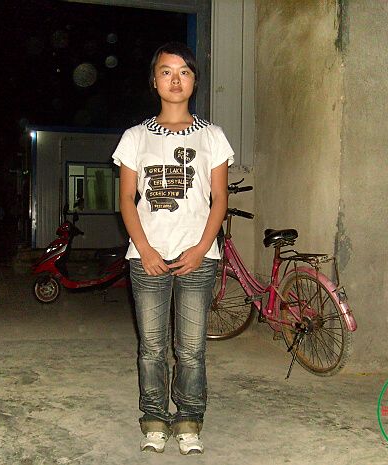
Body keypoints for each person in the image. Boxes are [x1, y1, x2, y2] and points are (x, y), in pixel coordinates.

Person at [112, 42, 233, 455]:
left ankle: (188, 419)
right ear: (154, 81)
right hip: (147, 258)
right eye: (166, 71)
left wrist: (201, 248)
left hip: (197, 257)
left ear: (195, 80)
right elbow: (126, 199)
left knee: (191, 349)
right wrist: (144, 249)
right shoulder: (135, 137)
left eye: (184, 72)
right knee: (151, 347)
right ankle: (153, 419)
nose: (175, 80)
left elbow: (220, 199)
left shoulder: (213, 136)